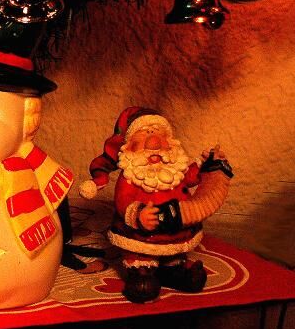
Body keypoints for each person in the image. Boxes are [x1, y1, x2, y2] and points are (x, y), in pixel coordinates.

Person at [79, 107, 233, 303]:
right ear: (129, 145)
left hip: (176, 232)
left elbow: (191, 178)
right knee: (142, 269)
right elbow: (123, 200)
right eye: (145, 132)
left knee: (174, 261)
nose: (153, 139)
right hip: (140, 239)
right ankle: (141, 273)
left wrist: (206, 164)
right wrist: (138, 215)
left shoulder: (175, 168)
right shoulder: (131, 176)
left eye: (158, 132)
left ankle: (173, 270)